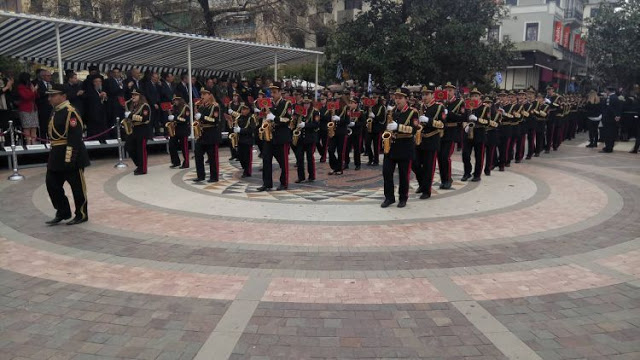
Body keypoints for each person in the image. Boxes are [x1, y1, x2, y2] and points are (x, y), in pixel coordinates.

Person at [44, 84, 90, 226]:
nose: (50, 98)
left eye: (53, 95)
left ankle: (81, 214)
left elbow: (75, 138)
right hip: (56, 155)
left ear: (63, 96)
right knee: (52, 185)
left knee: (77, 188)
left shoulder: (71, 112)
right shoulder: (55, 111)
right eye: (49, 95)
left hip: (71, 155)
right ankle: (62, 211)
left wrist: (69, 158)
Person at [381, 87, 419, 208]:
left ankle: (403, 198)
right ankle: (389, 197)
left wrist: (398, 127)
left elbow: (414, 129)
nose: (397, 100)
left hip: (405, 147)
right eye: (396, 98)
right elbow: (387, 127)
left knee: (404, 175)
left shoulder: (413, 112)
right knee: (386, 172)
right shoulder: (391, 111)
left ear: (406, 99)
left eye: (400, 98)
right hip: (391, 146)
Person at [257, 82, 293, 191]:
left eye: (274, 92)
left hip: (281, 137)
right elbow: (263, 118)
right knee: (266, 160)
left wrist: (274, 118)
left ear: (280, 92)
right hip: (269, 137)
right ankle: (267, 183)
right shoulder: (268, 104)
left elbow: (288, 120)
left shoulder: (287, 104)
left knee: (283, 163)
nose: (272, 94)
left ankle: (284, 183)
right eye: (271, 92)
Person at [412, 86, 445, 199]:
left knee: (428, 167)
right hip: (420, 139)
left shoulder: (439, 107)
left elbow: (442, 124)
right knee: (415, 163)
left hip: (432, 139)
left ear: (432, 95)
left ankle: (427, 190)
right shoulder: (421, 106)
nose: (424, 97)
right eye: (423, 94)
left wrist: (429, 121)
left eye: (427, 94)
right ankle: (422, 184)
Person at [193, 88, 222, 182]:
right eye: (201, 94)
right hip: (202, 134)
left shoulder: (215, 106)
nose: (202, 96)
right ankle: (200, 175)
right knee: (198, 154)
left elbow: (215, 120)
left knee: (212, 158)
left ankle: (214, 177)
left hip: (211, 133)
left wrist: (202, 117)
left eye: (204, 94)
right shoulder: (201, 107)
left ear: (210, 95)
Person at [439, 82, 464, 189]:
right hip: (440, 132)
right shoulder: (440, 103)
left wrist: (448, 113)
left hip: (451, 132)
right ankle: (443, 179)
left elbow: (462, 118)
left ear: (454, 91)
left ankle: (448, 179)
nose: (448, 92)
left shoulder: (459, 103)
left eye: (450, 90)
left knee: (446, 156)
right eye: (446, 90)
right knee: (440, 157)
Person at [461, 88, 489, 182]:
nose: (474, 98)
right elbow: (464, 119)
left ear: (480, 97)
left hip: (479, 133)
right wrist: (465, 127)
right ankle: (467, 172)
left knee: (479, 155)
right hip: (468, 132)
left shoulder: (485, 108)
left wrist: (477, 119)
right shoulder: (467, 107)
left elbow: (487, 122)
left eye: (476, 96)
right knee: (465, 154)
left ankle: (477, 174)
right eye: (472, 96)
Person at [124, 90, 152, 175]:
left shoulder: (145, 106)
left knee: (141, 150)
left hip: (143, 130)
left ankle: (143, 168)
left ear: (140, 96)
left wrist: (131, 116)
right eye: (132, 95)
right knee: (129, 146)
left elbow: (145, 118)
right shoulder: (133, 106)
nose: (133, 96)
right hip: (134, 130)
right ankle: (139, 164)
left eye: (136, 95)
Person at [293, 95, 320, 183]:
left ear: (310, 103)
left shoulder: (315, 112)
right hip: (300, 139)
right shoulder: (299, 112)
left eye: (308, 103)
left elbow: (316, 124)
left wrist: (305, 125)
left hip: (310, 139)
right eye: (304, 103)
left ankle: (311, 176)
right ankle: (301, 177)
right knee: (299, 158)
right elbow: (294, 122)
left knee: (309, 158)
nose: (306, 105)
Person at [230, 103, 257, 177]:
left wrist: (241, 130)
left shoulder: (251, 118)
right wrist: (234, 128)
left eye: (244, 109)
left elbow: (251, 129)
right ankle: (244, 168)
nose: (243, 111)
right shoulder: (239, 118)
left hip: (248, 141)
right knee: (240, 157)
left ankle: (247, 172)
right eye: (242, 109)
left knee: (247, 158)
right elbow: (235, 126)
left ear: (248, 110)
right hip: (240, 140)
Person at [327, 93, 349, 176]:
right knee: (330, 150)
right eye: (336, 99)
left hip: (341, 132)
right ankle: (334, 166)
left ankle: (339, 169)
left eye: (338, 99)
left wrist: (339, 119)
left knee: (340, 152)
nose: (337, 101)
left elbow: (347, 121)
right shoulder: (333, 108)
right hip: (333, 132)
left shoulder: (346, 108)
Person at [167, 95, 191, 169]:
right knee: (171, 145)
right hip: (175, 129)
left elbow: (186, 120)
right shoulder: (174, 107)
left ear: (180, 100)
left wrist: (175, 118)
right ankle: (175, 162)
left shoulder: (185, 107)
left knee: (184, 147)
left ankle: (186, 162)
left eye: (176, 100)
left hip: (183, 129)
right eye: (174, 100)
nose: (175, 101)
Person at [16, 72, 39, 145]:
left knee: (34, 126)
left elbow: (36, 96)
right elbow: (26, 97)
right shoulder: (20, 87)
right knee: (27, 127)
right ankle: (28, 143)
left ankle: (34, 142)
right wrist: (33, 91)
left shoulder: (30, 86)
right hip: (25, 109)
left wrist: (34, 90)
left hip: (33, 108)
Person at [84, 75, 108, 141]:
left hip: (102, 115)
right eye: (97, 82)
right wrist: (98, 97)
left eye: (100, 82)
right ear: (93, 83)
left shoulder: (101, 90)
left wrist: (105, 97)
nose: (98, 83)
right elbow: (90, 101)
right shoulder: (90, 91)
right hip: (93, 116)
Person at [344, 96, 365, 170]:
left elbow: (363, 122)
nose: (351, 104)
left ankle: (357, 164)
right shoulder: (348, 111)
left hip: (357, 133)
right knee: (346, 148)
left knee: (356, 149)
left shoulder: (360, 112)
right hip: (348, 132)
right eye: (350, 103)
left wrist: (355, 124)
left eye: (352, 103)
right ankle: (346, 163)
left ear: (356, 104)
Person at [600, 86, 622, 153]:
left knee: (608, 134)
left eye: (606, 91)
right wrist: (617, 116)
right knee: (612, 134)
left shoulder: (610, 98)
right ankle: (610, 147)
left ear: (608, 91)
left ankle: (608, 148)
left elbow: (609, 108)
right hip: (613, 119)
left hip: (608, 119)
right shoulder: (616, 97)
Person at [104, 68, 126, 135]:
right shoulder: (108, 81)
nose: (116, 74)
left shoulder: (122, 81)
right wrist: (119, 87)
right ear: (112, 73)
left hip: (121, 104)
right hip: (113, 104)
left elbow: (124, 92)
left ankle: (122, 134)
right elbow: (111, 92)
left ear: (120, 73)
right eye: (114, 72)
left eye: (117, 72)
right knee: (114, 120)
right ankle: (114, 135)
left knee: (122, 120)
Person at [34, 69, 53, 139]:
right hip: (42, 107)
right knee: (43, 125)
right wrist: (46, 92)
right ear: (43, 76)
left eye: (50, 76)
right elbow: (38, 93)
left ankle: (51, 138)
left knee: (51, 124)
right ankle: (43, 140)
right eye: (48, 76)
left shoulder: (52, 83)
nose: (50, 77)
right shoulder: (38, 84)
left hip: (51, 107)